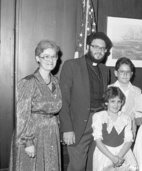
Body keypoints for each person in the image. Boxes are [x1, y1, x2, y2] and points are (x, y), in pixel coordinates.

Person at [59, 32, 112, 171]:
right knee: (77, 166)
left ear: (106, 51)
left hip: (99, 122)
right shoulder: (71, 65)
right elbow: (63, 100)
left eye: (103, 48)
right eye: (96, 46)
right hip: (78, 124)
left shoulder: (105, 70)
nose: (99, 51)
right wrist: (67, 128)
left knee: (94, 164)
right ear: (88, 46)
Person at [9, 40, 62, 171]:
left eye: (54, 56)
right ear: (37, 58)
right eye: (46, 56)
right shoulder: (28, 82)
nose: (50, 60)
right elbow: (22, 115)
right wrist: (28, 141)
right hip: (32, 135)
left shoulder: (56, 82)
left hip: (51, 134)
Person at [92, 86, 138, 171]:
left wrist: (119, 157)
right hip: (105, 154)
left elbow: (129, 140)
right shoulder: (99, 116)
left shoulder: (126, 118)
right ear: (106, 102)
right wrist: (113, 158)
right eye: (112, 101)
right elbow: (98, 141)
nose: (116, 105)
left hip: (122, 153)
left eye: (119, 102)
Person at [108, 57, 141, 136]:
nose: (125, 74)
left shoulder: (137, 91)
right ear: (116, 73)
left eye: (128, 72)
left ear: (132, 74)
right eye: (122, 71)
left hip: (129, 132)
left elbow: (138, 115)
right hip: (110, 131)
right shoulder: (109, 89)